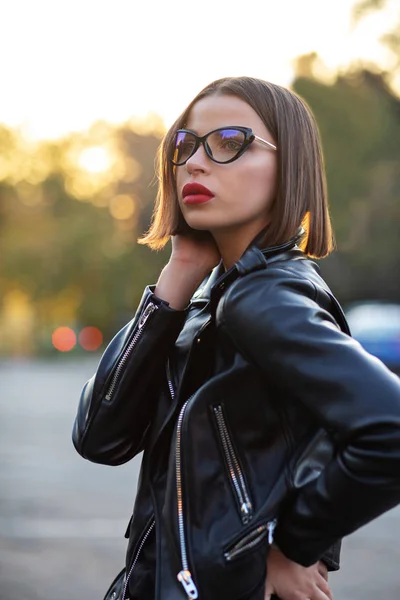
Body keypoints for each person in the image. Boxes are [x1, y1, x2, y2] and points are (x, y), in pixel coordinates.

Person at [72, 76, 400, 600]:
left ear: (289, 165)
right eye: (185, 144)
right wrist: (180, 271)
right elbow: (100, 437)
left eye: (229, 142)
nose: (195, 163)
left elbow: (390, 429)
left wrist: (295, 544)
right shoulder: (217, 293)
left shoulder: (262, 297)